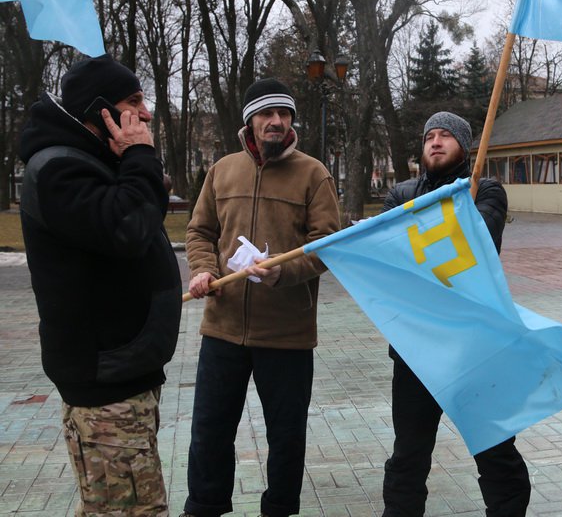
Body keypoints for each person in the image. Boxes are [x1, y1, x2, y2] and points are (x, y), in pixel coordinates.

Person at [19, 55, 182, 515]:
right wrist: (139, 155)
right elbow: (128, 226)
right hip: (106, 383)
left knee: (112, 506)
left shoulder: (85, 163)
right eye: (134, 102)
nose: (146, 113)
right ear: (101, 113)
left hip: (124, 377)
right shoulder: (57, 169)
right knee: (130, 510)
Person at [182, 78, 341, 517]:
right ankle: (204, 507)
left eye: (284, 114)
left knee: (286, 436)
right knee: (210, 431)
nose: (276, 121)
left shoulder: (314, 174)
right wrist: (203, 270)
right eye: (267, 114)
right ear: (249, 121)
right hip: (223, 328)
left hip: (286, 335)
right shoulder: (222, 170)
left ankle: (279, 508)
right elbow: (199, 231)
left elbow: (326, 246)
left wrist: (280, 273)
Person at [381, 112, 531, 516]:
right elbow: (389, 254)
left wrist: (428, 228)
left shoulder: (486, 191)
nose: (435, 141)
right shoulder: (400, 195)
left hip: (474, 349)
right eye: (429, 135)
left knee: (495, 450)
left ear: (464, 146)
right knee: (409, 456)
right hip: (416, 351)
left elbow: (474, 246)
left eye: (446, 135)